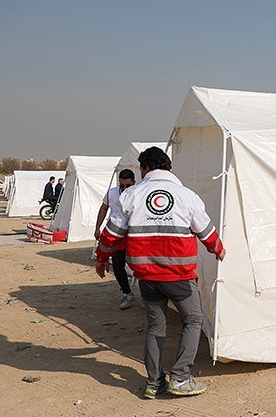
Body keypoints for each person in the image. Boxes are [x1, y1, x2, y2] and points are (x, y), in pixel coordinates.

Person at [95, 147, 226, 399]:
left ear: (145, 169)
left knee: (156, 326)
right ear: (168, 167)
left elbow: (111, 234)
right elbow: (206, 233)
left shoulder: (130, 195)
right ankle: (180, 378)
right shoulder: (187, 196)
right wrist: (218, 250)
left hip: (148, 278)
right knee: (193, 320)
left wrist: (102, 259)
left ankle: (154, 383)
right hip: (180, 277)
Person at [95, 170, 137, 310]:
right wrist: (97, 227)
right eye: (122, 185)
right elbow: (103, 208)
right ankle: (127, 293)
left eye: (128, 185)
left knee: (140, 265)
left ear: (134, 183)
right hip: (117, 234)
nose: (124, 189)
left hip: (134, 235)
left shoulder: (139, 194)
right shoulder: (112, 193)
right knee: (118, 264)